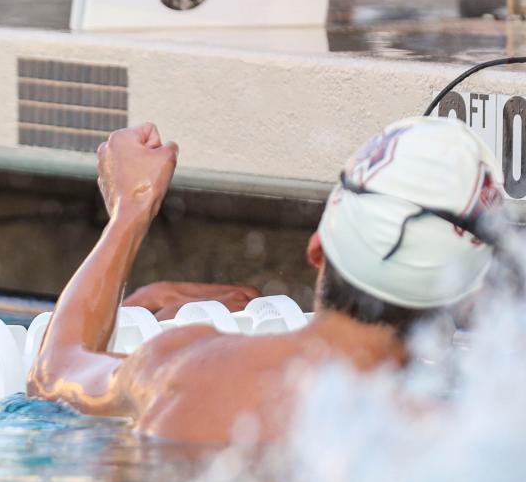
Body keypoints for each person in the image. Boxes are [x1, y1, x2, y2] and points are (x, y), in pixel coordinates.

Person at [28, 117, 504, 444]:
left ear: (318, 247)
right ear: (467, 298)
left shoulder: (188, 370)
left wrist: (130, 210)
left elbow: (53, 374)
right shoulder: (453, 438)